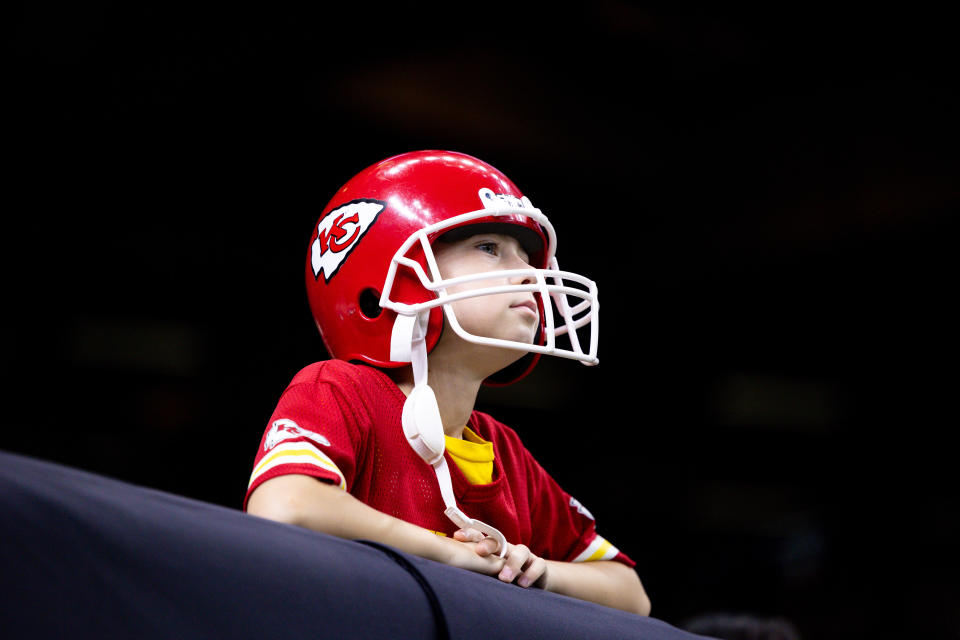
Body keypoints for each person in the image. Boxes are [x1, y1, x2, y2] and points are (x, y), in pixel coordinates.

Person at [243, 150, 650, 615]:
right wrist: (452, 555)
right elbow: (285, 506)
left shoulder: (506, 452)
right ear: (384, 282)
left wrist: (535, 569)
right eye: (490, 248)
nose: (531, 275)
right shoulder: (339, 390)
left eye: (529, 258)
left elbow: (632, 594)